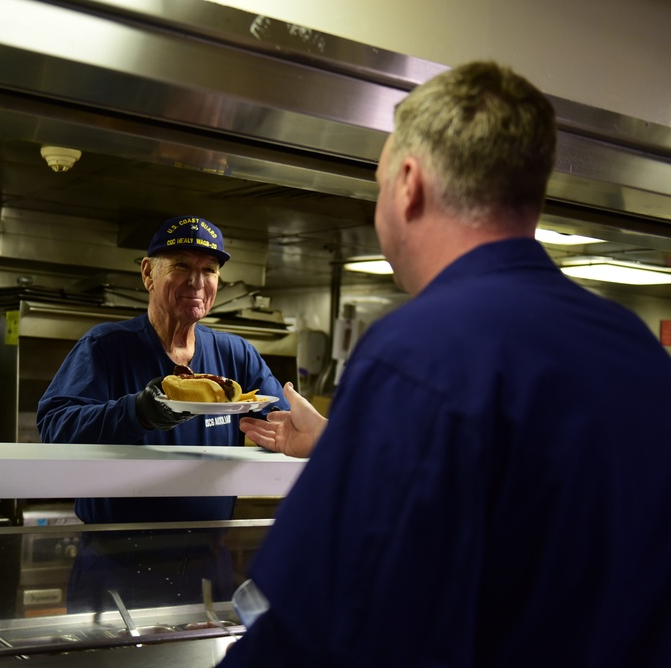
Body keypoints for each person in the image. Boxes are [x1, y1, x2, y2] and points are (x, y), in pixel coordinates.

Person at [220, 61, 671, 667]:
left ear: (409, 184)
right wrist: (340, 445)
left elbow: (321, 635)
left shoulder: (418, 352)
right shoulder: (635, 347)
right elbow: (531, 516)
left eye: (379, 182)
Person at [37, 214, 289, 608]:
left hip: (208, 563)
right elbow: (54, 427)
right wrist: (138, 411)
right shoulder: (106, 346)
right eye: (182, 266)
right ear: (148, 274)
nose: (196, 281)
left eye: (209, 270)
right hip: (116, 564)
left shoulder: (236, 355)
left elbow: (281, 423)